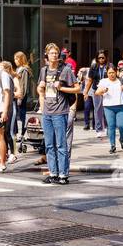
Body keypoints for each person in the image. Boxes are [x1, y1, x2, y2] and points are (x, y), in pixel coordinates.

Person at [37, 42, 79, 185]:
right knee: (49, 145)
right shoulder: (43, 70)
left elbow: (77, 89)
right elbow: (40, 91)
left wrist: (61, 88)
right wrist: (40, 88)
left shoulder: (66, 70)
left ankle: (63, 175)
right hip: (47, 112)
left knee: (61, 144)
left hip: (60, 111)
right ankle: (53, 173)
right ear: (46, 55)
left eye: (56, 53)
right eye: (51, 53)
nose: (54, 55)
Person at [94, 63, 123, 153]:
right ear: (107, 73)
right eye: (109, 73)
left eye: (113, 72)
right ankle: (112, 145)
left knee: (122, 125)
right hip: (108, 107)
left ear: (116, 72)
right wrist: (102, 91)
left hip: (120, 106)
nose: (111, 74)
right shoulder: (103, 81)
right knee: (111, 126)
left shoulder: (122, 79)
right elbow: (97, 92)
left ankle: (122, 139)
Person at [11, 51, 32, 153]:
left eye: (16, 59)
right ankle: (19, 133)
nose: (15, 61)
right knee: (17, 115)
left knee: (21, 115)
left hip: (21, 96)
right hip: (16, 94)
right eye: (14, 59)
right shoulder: (18, 69)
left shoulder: (24, 70)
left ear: (21, 59)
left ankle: (22, 134)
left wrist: (20, 97)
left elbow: (24, 85)